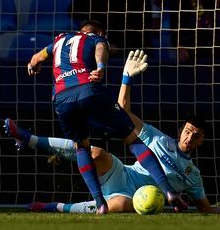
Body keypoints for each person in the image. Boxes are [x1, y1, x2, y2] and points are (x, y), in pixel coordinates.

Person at [6, 50, 220, 215]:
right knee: (96, 152)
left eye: (196, 135)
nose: (189, 137)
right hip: (123, 173)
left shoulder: (193, 176)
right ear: (181, 130)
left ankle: (53, 207)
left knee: (119, 204)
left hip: (134, 199)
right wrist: (126, 78)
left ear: (202, 140)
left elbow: (206, 208)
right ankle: (28, 138)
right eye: (187, 131)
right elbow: (122, 111)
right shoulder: (158, 138)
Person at [26, 22, 187, 214]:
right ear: (100, 32)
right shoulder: (95, 38)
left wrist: (33, 65)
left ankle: (100, 203)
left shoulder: (60, 39)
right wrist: (101, 66)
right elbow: (101, 47)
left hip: (62, 98)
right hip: (89, 90)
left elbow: (36, 58)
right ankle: (169, 191)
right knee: (133, 139)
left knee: (81, 146)